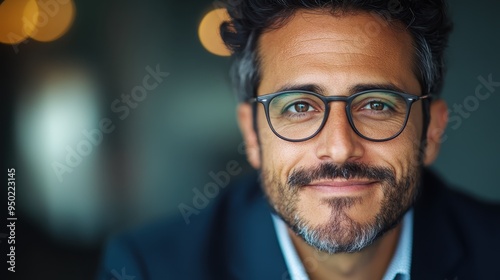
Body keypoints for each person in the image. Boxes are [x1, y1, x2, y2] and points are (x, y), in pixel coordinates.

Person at [98, 0, 500, 279]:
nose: (340, 147)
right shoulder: (148, 269)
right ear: (251, 135)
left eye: (376, 105)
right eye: (298, 107)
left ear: (431, 131)